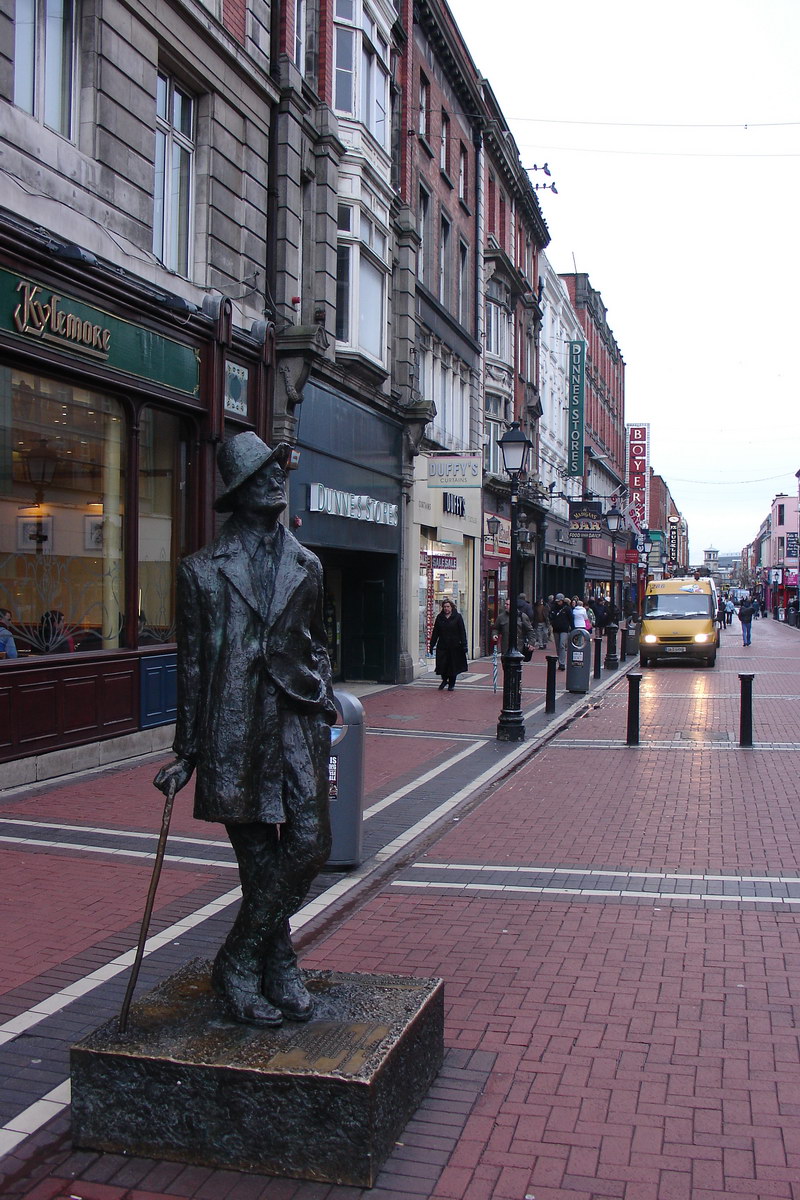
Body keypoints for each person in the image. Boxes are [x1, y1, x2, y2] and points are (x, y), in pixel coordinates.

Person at [154, 432, 337, 1029]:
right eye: (262, 472)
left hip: (296, 718)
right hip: (235, 723)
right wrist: (187, 749)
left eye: (277, 468)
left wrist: (325, 691)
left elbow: (315, 640)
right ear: (239, 491)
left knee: (311, 844)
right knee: (259, 858)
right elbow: (192, 663)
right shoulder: (201, 571)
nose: (276, 477)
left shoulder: (306, 563)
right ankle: (276, 962)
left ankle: (237, 957)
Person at [430, 598, 468, 690]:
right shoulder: (440, 617)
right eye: (444, 607)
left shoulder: (458, 617)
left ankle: (451, 684)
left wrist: (464, 645)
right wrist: (431, 645)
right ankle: (444, 680)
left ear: (451, 607)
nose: (446, 608)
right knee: (442, 664)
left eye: (448, 607)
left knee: (453, 666)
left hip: (455, 646)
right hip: (443, 645)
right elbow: (435, 632)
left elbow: (462, 631)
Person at [550, 593, 574, 671]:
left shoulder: (567, 608)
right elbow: (551, 616)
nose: (558, 603)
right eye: (557, 601)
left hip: (564, 629)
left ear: (562, 600)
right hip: (556, 629)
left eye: (559, 601)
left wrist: (573, 628)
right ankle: (560, 661)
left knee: (562, 645)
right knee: (557, 646)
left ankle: (562, 663)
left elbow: (571, 618)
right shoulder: (553, 608)